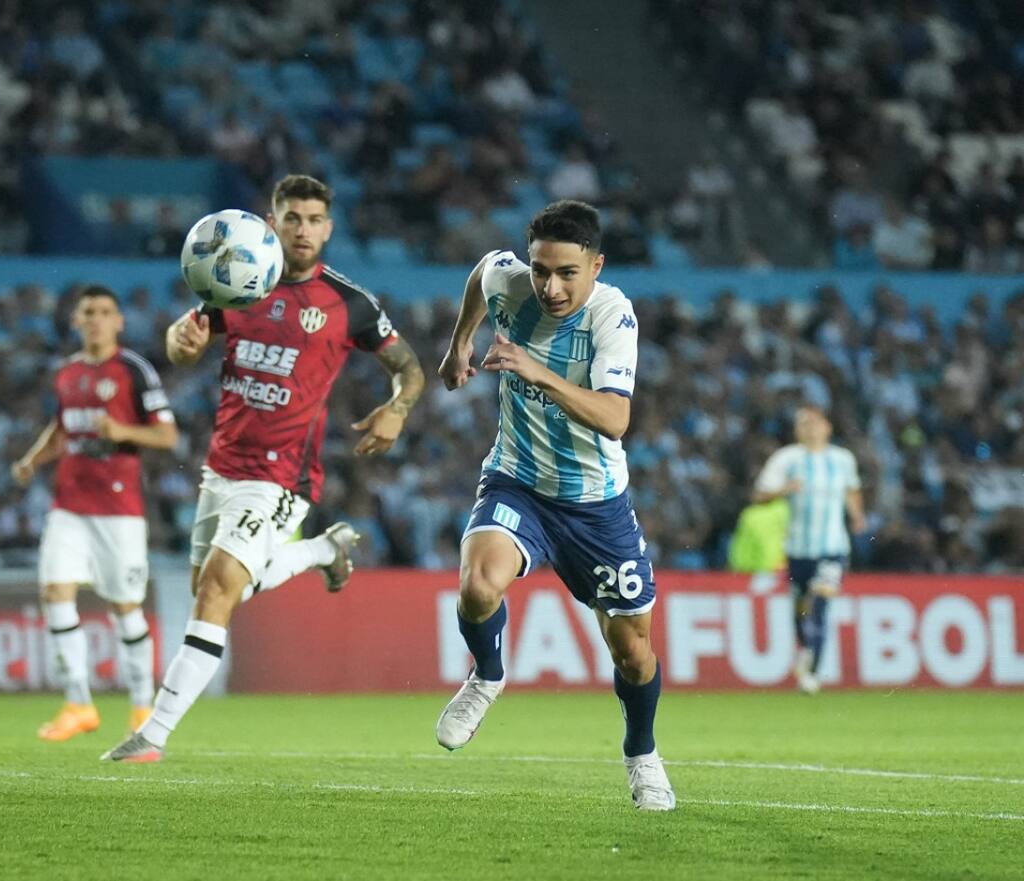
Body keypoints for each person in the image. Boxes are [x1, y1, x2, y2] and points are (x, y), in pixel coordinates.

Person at [103, 174, 425, 763]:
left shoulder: (347, 303)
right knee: (216, 588)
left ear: (328, 229)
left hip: (282, 475)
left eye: (314, 220)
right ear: (272, 223)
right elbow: (184, 348)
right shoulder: (238, 281)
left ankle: (152, 736)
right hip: (220, 467)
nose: (303, 230)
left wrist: (396, 410)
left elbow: (409, 368)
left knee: (220, 587)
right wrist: (182, 338)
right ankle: (322, 552)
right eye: (292, 217)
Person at [433, 200, 675, 811]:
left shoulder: (612, 316)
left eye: (568, 272)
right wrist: (460, 342)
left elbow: (616, 418)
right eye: (542, 270)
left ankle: (642, 754)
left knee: (633, 653)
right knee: (479, 583)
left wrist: (536, 372)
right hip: (519, 481)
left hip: (596, 506)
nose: (550, 286)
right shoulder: (508, 281)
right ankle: (487, 676)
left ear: (596, 266)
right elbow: (482, 274)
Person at [11, 285, 178, 741]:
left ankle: (143, 707)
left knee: (125, 607)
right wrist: (32, 460)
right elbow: (60, 428)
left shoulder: (134, 370)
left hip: (119, 509)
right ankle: (78, 703)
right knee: (55, 592)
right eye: (89, 312)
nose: (97, 319)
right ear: (75, 321)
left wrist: (122, 430)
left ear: (119, 321)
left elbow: (167, 437)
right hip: (69, 503)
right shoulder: (66, 374)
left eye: (106, 312)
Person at [753, 406, 865, 694]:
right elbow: (759, 495)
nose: (809, 428)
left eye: (814, 422)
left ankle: (813, 672)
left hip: (833, 548)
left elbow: (852, 490)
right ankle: (806, 649)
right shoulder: (787, 459)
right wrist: (784, 490)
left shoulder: (842, 459)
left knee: (820, 602)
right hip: (798, 550)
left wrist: (857, 516)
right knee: (801, 610)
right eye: (803, 423)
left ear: (827, 427)